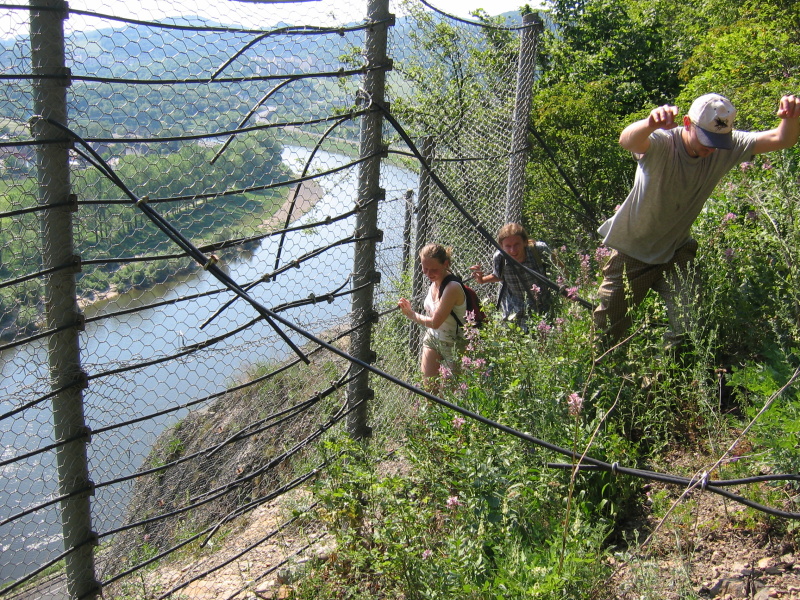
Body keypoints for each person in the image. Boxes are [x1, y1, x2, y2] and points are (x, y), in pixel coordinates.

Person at [594, 93, 800, 348]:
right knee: (608, 330)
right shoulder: (662, 142)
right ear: (688, 123)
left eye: (718, 141)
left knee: (690, 323)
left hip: (677, 249)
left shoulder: (727, 144)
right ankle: (606, 377)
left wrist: (790, 118)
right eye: (706, 140)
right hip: (633, 251)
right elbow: (628, 140)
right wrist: (650, 123)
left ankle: (666, 376)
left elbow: (783, 139)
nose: (711, 148)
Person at [398, 243, 467, 386]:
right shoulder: (435, 281)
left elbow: (435, 322)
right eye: (425, 268)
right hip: (433, 338)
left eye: (433, 269)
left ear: (445, 264)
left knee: (447, 396)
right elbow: (434, 326)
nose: (428, 274)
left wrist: (411, 314)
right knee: (429, 390)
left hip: (453, 344)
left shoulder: (452, 287)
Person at [470, 223, 553, 330]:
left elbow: (560, 268)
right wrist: (481, 280)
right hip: (516, 308)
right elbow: (498, 276)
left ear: (525, 242)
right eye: (508, 246)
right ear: (501, 246)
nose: (513, 250)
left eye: (516, 244)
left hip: (543, 304)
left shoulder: (538, 250)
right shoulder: (500, 258)